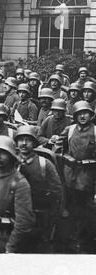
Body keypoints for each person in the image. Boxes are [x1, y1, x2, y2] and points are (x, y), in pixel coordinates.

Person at [15, 126, 63, 253]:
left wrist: (54, 216)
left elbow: (57, 191)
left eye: (28, 140)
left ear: (34, 143)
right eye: (21, 140)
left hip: (39, 216)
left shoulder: (45, 164)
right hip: (15, 215)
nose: (24, 144)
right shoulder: (11, 162)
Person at [56, 101, 96, 253]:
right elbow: (59, 147)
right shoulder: (70, 129)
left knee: (87, 209)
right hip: (70, 173)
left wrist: (88, 162)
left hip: (88, 175)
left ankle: (85, 241)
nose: (82, 116)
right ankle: (70, 240)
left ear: (91, 115)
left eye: (85, 113)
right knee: (70, 206)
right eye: (79, 114)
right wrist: (66, 157)